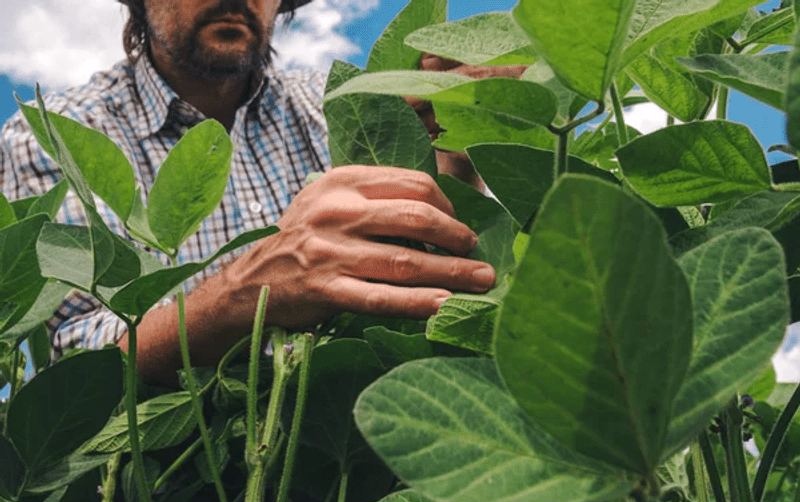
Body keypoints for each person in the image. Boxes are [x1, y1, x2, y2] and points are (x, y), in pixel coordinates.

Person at [1, 0, 519, 387]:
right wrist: (243, 295)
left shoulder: (340, 106)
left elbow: (424, 263)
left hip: (347, 448)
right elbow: (73, 367)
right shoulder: (60, 133)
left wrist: (461, 145)